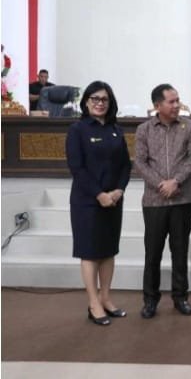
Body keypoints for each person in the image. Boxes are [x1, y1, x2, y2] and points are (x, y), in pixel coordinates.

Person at [66, 81, 131, 326]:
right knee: (90, 252)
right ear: (86, 102)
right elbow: (77, 168)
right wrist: (99, 194)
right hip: (87, 201)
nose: (99, 103)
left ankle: (105, 298)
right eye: (94, 99)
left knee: (108, 251)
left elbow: (125, 165)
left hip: (113, 200)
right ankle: (93, 303)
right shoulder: (77, 130)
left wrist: (119, 190)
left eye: (104, 99)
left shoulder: (116, 129)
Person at [134, 84, 191, 319]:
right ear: (157, 105)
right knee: (153, 253)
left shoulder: (190, 126)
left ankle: (180, 297)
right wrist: (162, 184)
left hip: (183, 198)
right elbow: (140, 162)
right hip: (155, 200)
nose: (176, 105)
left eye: (177, 100)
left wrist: (176, 182)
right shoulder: (144, 129)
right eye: (171, 102)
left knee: (180, 250)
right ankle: (150, 300)